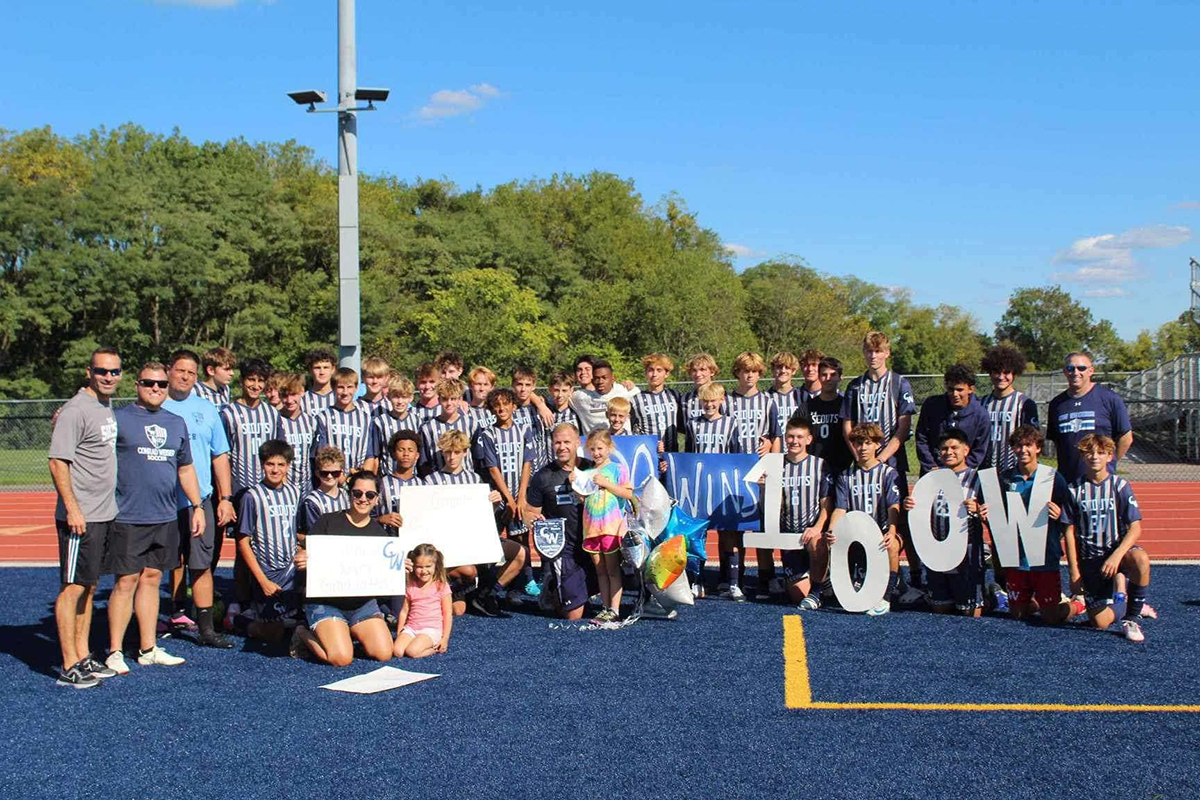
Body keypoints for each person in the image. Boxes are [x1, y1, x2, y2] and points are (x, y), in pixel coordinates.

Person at [106, 362, 203, 674]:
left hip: (164, 516)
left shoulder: (175, 423)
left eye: (161, 384)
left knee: (152, 579)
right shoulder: (118, 419)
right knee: (126, 581)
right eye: (149, 383)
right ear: (137, 384)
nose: (156, 389)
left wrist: (198, 505)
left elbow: (185, 467)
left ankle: (148, 647)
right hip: (128, 515)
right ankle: (115, 651)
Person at [49, 346, 122, 688]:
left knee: (89, 587)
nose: (108, 377)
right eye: (102, 371)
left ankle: (82, 655)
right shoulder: (76, 410)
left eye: (114, 372)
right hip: (82, 516)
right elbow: (57, 461)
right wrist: (73, 507)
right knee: (73, 587)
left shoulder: (103, 406)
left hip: (103, 513)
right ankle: (68, 665)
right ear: (88, 372)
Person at [161, 349, 236, 647]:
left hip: (199, 500)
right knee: (161, 563)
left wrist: (225, 497)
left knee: (200, 563)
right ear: (169, 370)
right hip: (162, 500)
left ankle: (206, 629)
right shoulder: (154, 403)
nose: (185, 377)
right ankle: (169, 615)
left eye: (191, 373)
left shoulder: (206, 409)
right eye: (180, 371)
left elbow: (220, 455)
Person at [291, 471, 394, 666]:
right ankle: (302, 632)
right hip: (326, 602)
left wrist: (399, 568)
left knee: (384, 653)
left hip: (362, 605)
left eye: (369, 495)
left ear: (377, 499)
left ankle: (345, 631)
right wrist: (304, 558)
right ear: (349, 494)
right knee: (341, 658)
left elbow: (385, 575)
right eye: (357, 493)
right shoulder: (328, 522)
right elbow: (304, 553)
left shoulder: (380, 535)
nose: (363, 499)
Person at [840, 331, 917, 589]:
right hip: (861, 462)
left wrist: (881, 457)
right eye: (869, 351)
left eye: (878, 351)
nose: (873, 356)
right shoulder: (855, 385)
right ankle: (860, 574)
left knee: (898, 522)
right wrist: (860, 456)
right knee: (861, 516)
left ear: (887, 352)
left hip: (891, 463)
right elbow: (847, 424)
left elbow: (903, 428)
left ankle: (908, 579)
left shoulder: (899, 383)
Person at [1060, 434, 1150, 642]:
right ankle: (1124, 599)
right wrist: (1074, 572)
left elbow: (1135, 528)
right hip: (1091, 562)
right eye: (1089, 452)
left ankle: (1132, 617)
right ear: (1082, 457)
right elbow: (1069, 532)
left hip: (1116, 555)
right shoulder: (1074, 490)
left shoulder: (1120, 486)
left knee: (1141, 559)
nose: (1094, 457)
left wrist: (1116, 557)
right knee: (1099, 623)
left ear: (1110, 456)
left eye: (1101, 453)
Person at [426, 430, 524, 617]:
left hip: (472, 542)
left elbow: (483, 517)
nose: (452, 457)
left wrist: (494, 504)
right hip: (446, 546)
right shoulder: (431, 480)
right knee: (458, 609)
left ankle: (485, 594)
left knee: (519, 553)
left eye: (457, 452)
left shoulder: (475, 479)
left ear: (465, 452)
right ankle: (453, 590)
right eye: (448, 452)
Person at [993, 425, 1081, 624]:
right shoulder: (1005, 478)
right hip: (1016, 557)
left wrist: (1059, 514)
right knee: (1017, 615)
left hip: (1044, 556)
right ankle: (1032, 602)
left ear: (1038, 448)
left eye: (1028, 445)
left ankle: (1078, 604)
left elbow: (1068, 518)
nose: (1023, 450)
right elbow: (995, 511)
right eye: (1018, 445)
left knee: (1051, 618)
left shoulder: (1052, 478)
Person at [904, 429, 985, 616]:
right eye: (944, 448)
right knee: (940, 609)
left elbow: (994, 517)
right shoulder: (930, 479)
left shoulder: (978, 479)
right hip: (937, 551)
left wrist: (979, 510)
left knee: (970, 613)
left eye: (954, 447)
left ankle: (988, 596)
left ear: (966, 450)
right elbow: (921, 511)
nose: (949, 452)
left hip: (967, 551)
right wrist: (910, 505)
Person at [828, 423, 903, 616]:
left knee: (893, 545)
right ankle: (829, 585)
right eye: (858, 443)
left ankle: (887, 596)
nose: (862, 448)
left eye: (868, 443)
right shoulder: (846, 476)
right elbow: (840, 508)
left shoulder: (888, 473)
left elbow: (893, 506)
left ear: (877, 445)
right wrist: (831, 530)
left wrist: (892, 532)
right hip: (858, 536)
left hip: (882, 533)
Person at [472, 388, 539, 596]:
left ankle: (517, 588)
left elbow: (527, 463)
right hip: (499, 497)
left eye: (505, 404)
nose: (501, 408)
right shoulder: (488, 433)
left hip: (519, 496)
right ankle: (485, 585)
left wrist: (520, 497)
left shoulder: (524, 429)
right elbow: (493, 469)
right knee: (492, 541)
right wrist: (509, 498)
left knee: (521, 540)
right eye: (496, 405)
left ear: (513, 406)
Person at [526, 424, 596, 621]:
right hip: (564, 550)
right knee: (574, 616)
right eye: (557, 442)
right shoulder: (543, 476)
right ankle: (553, 590)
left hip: (593, 543)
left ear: (577, 443)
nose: (562, 447)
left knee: (625, 573)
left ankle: (576, 590)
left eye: (567, 442)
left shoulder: (591, 468)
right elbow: (529, 512)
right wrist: (535, 520)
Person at [236, 440, 303, 643]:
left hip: (291, 571)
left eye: (280, 465)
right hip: (267, 573)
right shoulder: (252, 496)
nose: (275, 470)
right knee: (275, 633)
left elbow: (294, 531)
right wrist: (262, 580)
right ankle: (241, 622)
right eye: (270, 464)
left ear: (288, 466)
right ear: (262, 465)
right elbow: (243, 542)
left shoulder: (295, 492)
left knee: (301, 621)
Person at [727, 351, 781, 597]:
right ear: (737, 372)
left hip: (760, 469)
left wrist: (773, 462)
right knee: (734, 525)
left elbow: (775, 436)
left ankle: (766, 576)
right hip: (735, 467)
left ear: (760, 374)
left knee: (762, 525)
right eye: (745, 371)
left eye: (754, 371)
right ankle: (732, 578)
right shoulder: (726, 401)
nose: (749, 375)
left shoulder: (769, 401)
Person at [684, 382, 741, 599]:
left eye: (713, 401)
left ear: (721, 401)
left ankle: (732, 582)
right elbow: (688, 454)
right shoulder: (692, 424)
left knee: (727, 533)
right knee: (698, 534)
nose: (709, 405)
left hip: (722, 485)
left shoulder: (730, 423)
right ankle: (697, 581)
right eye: (705, 401)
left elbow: (737, 455)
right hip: (699, 486)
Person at [1046, 352, 1133, 483]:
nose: (1075, 372)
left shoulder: (1110, 399)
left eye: (1081, 368)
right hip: (1067, 481)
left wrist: (1109, 463)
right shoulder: (1056, 404)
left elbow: (1126, 438)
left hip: (1099, 482)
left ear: (1091, 371)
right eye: (1070, 368)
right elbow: (1058, 442)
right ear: (1065, 371)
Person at [776, 418, 833, 608]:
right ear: (785, 438)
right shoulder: (775, 465)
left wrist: (817, 527)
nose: (794, 441)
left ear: (809, 439)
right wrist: (763, 488)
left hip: (811, 532)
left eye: (800, 437)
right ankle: (822, 578)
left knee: (818, 543)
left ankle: (817, 590)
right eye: (791, 436)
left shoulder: (820, 465)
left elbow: (827, 503)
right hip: (789, 537)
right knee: (797, 597)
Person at [579, 428, 635, 622]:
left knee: (612, 569)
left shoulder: (618, 469)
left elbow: (628, 494)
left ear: (610, 448)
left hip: (611, 527)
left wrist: (606, 484)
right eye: (592, 449)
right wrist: (576, 486)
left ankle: (615, 609)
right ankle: (604, 607)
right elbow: (582, 498)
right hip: (591, 528)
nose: (596, 453)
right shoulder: (587, 472)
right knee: (600, 570)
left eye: (600, 448)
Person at [914, 364, 991, 474]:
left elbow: (980, 449)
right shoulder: (932, 405)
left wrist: (962, 470)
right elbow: (922, 439)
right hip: (932, 473)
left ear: (970, 389)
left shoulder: (980, 415)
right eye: (951, 389)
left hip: (963, 477)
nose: (955, 394)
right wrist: (931, 466)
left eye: (960, 390)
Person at [979, 344, 1040, 474]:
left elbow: (1033, 439)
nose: (1001, 377)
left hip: (1015, 470)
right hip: (986, 471)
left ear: (1014, 374)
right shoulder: (981, 403)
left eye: (1006, 372)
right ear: (990, 373)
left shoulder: (1025, 404)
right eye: (997, 372)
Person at [393, 543, 453, 658]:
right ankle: (415, 642)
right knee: (397, 651)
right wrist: (400, 630)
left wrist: (445, 638)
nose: (424, 571)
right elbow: (404, 611)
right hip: (411, 628)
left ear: (436, 566)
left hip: (431, 630)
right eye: (419, 567)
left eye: (428, 566)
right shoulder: (411, 586)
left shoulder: (441, 586)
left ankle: (433, 649)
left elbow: (447, 614)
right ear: (414, 567)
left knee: (412, 651)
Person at [313, 366, 372, 471]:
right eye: (340, 387)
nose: (345, 392)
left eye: (349, 387)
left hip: (358, 479)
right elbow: (321, 453)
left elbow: (370, 456)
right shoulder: (323, 418)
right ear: (333, 387)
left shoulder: (365, 419)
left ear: (356, 388)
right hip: (332, 477)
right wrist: (341, 478)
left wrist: (358, 477)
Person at [630, 353, 680, 473]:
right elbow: (632, 430)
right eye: (650, 370)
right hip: (648, 456)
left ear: (666, 373)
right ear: (646, 372)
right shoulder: (636, 399)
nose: (654, 374)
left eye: (659, 370)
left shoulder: (675, 395)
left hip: (672, 456)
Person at [418, 379, 480, 476]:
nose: (449, 403)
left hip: (466, 482)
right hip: (439, 483)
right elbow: (424, 462)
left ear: (460, 399)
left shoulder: (471, 424)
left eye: (453, 399)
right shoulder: (428, 428)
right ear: (439, 400)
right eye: (445, 399)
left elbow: (478, 456)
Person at [363, 373, 420, 476]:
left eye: (404, 397)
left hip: (412, 479)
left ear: (411, 398)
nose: (400, 401)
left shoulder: (417, 421)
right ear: (389, 397)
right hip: (387, 477)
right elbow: (376, 456)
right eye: (396, 397)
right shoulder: (380, 422)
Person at [568, 360, 640, 436]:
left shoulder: (623, 391)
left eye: (604, 377)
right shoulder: (581, 398)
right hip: (594, 444)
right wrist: (553, 410)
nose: (600, 381)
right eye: (597, 378)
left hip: (623, 442)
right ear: (592, 380)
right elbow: (560, 398)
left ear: (612, 378)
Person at [807, 357, 851, 476]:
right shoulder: (806, 407)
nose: (828, 379)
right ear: (818, 377)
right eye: (824, 375)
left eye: (833, 375)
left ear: (840, 377)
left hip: (842, 468)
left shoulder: (847, 405)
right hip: (815, 468)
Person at [275, 373, 319, 493]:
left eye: (293, 394)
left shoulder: (311, 422)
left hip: (307, 485)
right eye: (285, 396)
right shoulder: (275, 420)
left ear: (302, 392)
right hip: (283, 484)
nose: (289, 400)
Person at [299, 446, 349, 536]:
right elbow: (315, 534)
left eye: (335, 473)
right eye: (324, 473)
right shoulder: (312, 502)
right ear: (317, 473)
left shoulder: (346, 495)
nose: (329, 476)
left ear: (342, 472)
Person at [768, 351, 805, 437]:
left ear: (794, 371)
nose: (783, 371)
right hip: (774, 448)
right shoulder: (765, 398)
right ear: (773, 369)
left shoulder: (802, 396)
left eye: (787, 367)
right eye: (779, 367)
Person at [679, 353, 724, 424]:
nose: (698, 374)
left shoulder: (723, 396)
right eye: (694, 370)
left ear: (712, 372)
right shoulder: (685, 399)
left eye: (702, 369)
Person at [300, 348, 337, 416]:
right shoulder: (303, 399)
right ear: (310, 369)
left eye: (326, 367)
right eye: (317, 368)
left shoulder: (339, 397)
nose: (322, 372)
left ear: (333, 369)